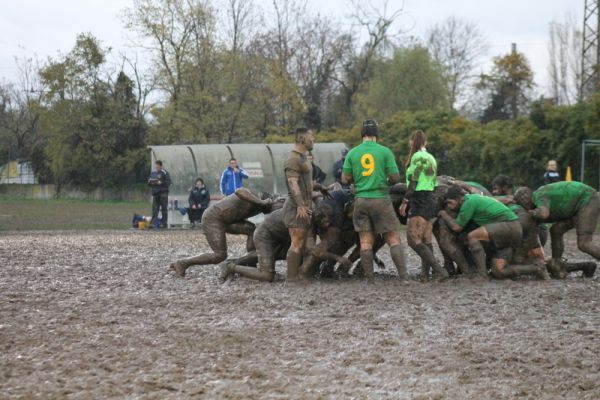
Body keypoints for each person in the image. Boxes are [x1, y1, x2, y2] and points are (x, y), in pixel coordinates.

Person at [341, 119, 409, 283]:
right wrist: (384, 178)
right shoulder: (385, 151)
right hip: (380, 199)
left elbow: (345, 178)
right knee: (393, 238)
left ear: (362, 134)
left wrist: (357, 180)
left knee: (365, 241)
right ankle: (404, 278)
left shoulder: (352, 153)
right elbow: (395, 178)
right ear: (376, 134)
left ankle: (369, 279)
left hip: (361, 201)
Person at [438, 187, 546, 280]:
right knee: (499, 271)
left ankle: (482, 275)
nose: (449, 206)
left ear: (458, 199)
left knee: (473, 236)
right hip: (509, 231)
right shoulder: (474, 198)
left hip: (509, 226)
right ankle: (535, 269)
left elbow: (457, 227)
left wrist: (443, 214)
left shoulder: (468, 202)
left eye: (450, 202)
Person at [170, 188, 279, 277]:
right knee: (220, 255)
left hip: (229, 221)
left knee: (252, 230)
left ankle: (249, 263)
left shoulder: (261, 207)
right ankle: (182, 263)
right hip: (213, 218)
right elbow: (239, 191)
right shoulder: (256, 195)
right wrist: (261, 202)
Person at [514, 181, 600, 278]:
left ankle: (557, 263)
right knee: (556, 230)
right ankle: (557, 262)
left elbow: (543, 213)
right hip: (575, 206)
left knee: (584, 244)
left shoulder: (539, 196)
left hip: (587, 199)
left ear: (527, 200)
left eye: (524, 204)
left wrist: (530, 213)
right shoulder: (538, 197)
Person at [399, 130, 449, 282]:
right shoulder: (431, 158)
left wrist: (405, 202)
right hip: (431, 199)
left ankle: (440, 271)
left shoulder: (417, 157)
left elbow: (413, 181)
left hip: (419, 199)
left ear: (412, 142)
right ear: (425, 143)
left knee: (413, 240)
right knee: (427, 239)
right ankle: (425, 276)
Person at [283, 127, 316, 282]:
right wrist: (301, 205)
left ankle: (296, 276)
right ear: (302, 139)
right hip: (296, 208)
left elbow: (305, 182)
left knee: (301, 242)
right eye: (311, 137)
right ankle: (291, 279)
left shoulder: (303, 158)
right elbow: (293, 183)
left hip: (304, 206)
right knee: (296, 243)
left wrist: (321, 187)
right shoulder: (293, 159)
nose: (313, 140)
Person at [147, 160, 171, 228]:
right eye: (156, 166)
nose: (156, 167)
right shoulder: (153, 173)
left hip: (163, 193)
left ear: (161, 166)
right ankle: (153, 223)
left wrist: (161, 183)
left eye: (158, 166)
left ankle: (164, 223)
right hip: (155, 193)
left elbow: (168, 182)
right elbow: (149, 182)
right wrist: (149, 182)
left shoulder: (165, 173)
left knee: (164, 208)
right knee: (155, 209)